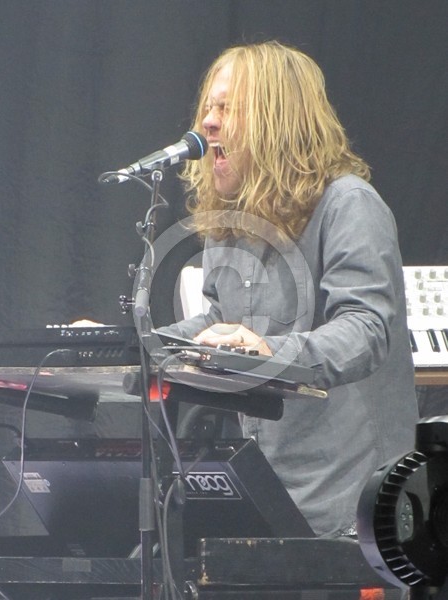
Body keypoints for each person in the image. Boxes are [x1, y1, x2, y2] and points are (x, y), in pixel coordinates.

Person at [159, 40, 419, 538]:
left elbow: (366, 330)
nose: (207, 122)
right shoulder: (233, 218)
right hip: (270, 491)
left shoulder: (349, 205)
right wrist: (134, 343)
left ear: (277, 120)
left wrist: (267, 350)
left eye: (226, 108)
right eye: (208, 108)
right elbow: (219, 322)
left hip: (353, 500)